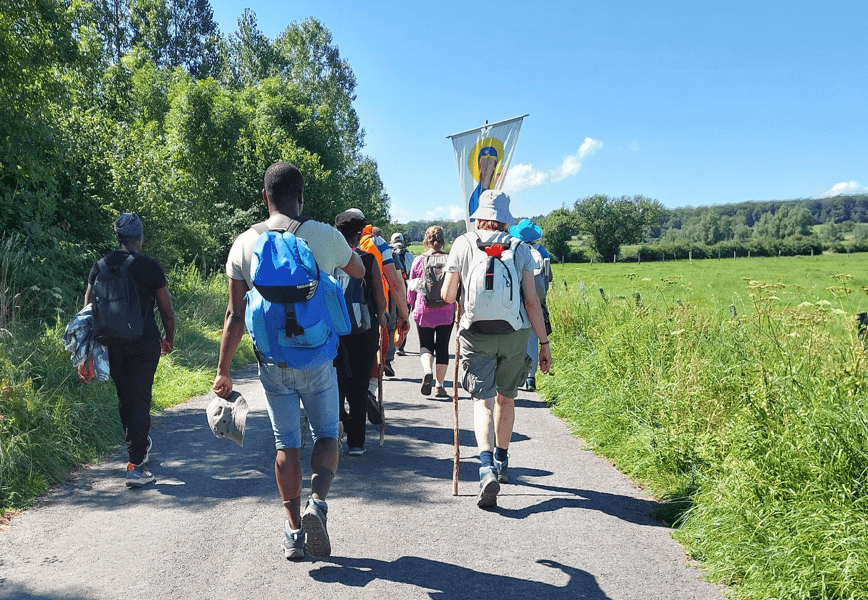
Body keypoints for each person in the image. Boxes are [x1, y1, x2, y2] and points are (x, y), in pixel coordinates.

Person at [211, 162, 364, 561]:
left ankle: (293, 532)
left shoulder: (245, 243)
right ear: (301, 197)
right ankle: (318, 504)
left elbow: (235, 315)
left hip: (272, 363)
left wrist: (224, 370)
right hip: (317, 358)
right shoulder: (325, 235)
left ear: (264, 198)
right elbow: (360, 270)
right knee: (328, 433)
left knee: (286, 443)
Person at [441, 190, 552, 509]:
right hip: (515, 331)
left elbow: (449, 296)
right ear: (506, 219)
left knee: (483, 402)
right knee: (507, 398)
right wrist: (543, 344)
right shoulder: (519, 247)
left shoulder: (463, 243)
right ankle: (503, 462)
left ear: (479, 217)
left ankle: (486, 465)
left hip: (476, 333)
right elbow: (532, 301)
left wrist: (459, 284)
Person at [79, 212, 175, 488]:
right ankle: (136, 465)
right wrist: (169, 337)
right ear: (140, 238)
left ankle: (138, 446)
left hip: (114, 343)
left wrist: (86, 356)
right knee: (141, 397)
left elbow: (89, 311)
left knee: (126, 397)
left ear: (118, 237)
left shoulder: (100, 266)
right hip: (145, 342)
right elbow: (167, 312)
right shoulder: (150, 267)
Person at [334, 211, 388, 456]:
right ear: (358, 235)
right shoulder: (366, 260)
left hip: (333, 333)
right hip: (363, 331)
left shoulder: (328, 259)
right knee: (358, 387)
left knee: (335, 386)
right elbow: (379, 296)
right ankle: (356, 443)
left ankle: (331, 435)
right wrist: (383, 318)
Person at [349, 211, 410, 401]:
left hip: (339, 310)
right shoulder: (377, 243)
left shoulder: (333, 240)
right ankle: (370, 391)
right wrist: (403, 314)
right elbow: (395, 281)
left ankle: (341, 406)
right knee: (376, 353)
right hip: (374, 309)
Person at [407, 225, 456, 397]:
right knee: (442, 347)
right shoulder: (451, 260)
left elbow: (412, 288)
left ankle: (427, 370)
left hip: (424, 309)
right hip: (446, 309)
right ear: (443, 242)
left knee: (426, 345)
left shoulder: (418, 260)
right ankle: (439, 386)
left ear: (426, 241)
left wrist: (412, 306)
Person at [508, 219, 554, 392]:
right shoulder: (543, 251)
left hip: (516, 300)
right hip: (537, 301)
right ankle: (530, 379)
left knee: (513, 339)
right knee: (533, 340)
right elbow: (548, 277)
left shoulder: (514, 249)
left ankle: (512, 375)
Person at [389, 232, 414, 356]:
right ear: (403, 242)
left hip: (391, 290)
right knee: (404, 317)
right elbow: (413, 271)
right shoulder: (408, 254)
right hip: (405, 289)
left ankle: (390, 346)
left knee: (392, 318)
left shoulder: (388, 252)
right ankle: (401, 346)